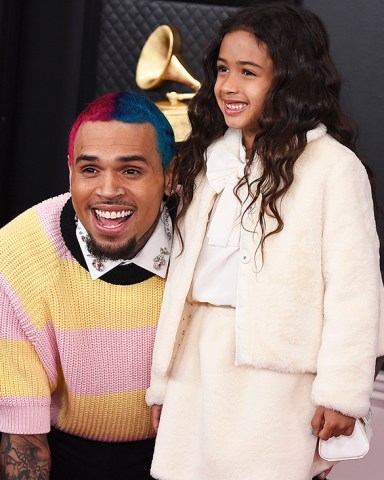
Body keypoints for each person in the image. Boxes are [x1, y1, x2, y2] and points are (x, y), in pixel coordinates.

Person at [145, 3, 384, 480]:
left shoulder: (332, 167)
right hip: (197, 363)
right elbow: (183, 287)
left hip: (276, 379)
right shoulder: (212, 161)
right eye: (222, 70)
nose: (229, 86)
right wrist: (162, 385)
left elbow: (354, 289)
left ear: (290, 80)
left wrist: (341, 391)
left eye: (248, 72)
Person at [0, 91, 177, 480]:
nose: (108, 190)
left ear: (170, 177)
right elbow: (25, 439)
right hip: (68, 458)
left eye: (131, 170)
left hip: (188, 455)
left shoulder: (209, 241)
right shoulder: (19, 252)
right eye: (90, 170)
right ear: (70, 171)